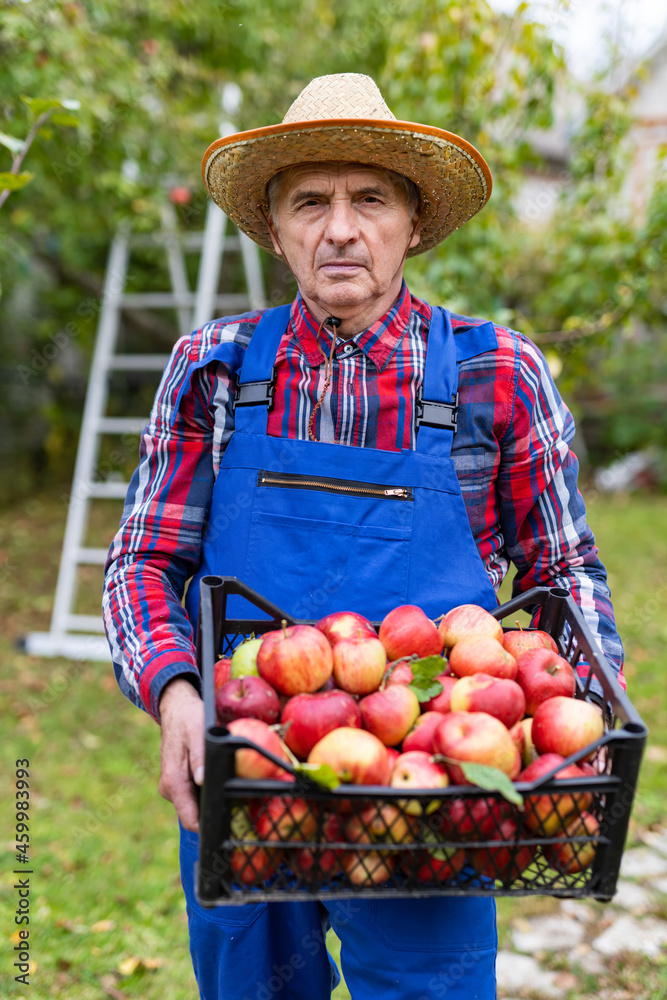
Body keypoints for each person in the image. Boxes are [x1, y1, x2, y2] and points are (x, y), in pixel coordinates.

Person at [103, 73, 624, 1000]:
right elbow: (145, 559)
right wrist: (177, 694)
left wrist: (586, 711)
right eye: (310, 202)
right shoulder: (213, 370)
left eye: (368, 199)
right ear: (275, 228)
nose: (339, 228)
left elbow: (562, 565)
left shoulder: (494, 375)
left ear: (413, 223)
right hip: (250, 772)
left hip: (434, 784)